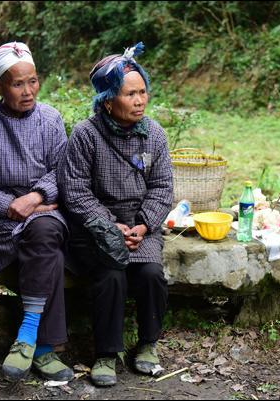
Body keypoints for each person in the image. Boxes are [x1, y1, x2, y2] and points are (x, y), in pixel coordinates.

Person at [57, 42, 173, 387]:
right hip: (94, 229)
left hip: (141, 227)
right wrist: (110, 226)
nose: (140, 100)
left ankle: (148, 345)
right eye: (129, 94)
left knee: (152, 274)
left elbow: (163, 187)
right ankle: (107, 353)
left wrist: (142, 224)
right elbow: (75, 191)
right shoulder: (85, 135)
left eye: (143, 92)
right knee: (110, 276)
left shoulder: (154, 135)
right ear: (108, 100)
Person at [0, 41, 73, 382]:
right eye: (17, 84)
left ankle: (27, 336)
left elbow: (62, 171)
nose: (28, 92)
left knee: (44, 232)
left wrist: (37, 196)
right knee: (48, 245)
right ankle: (43, 349)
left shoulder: (51, 119)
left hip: (43, 214)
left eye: (33, 81)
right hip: (0, 223)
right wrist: (16, 205)